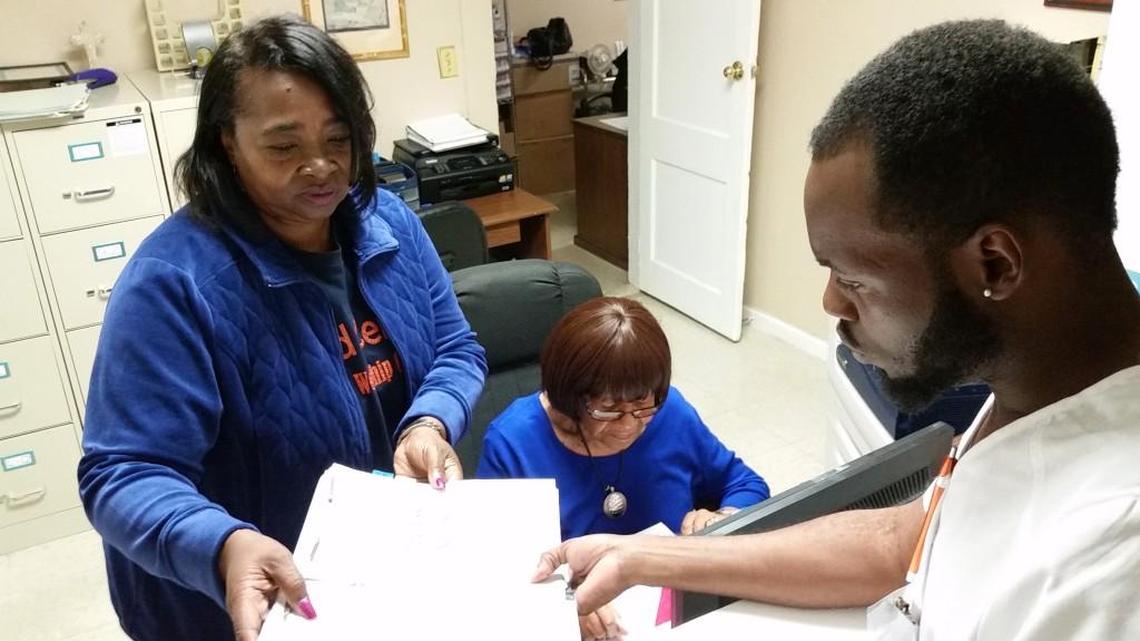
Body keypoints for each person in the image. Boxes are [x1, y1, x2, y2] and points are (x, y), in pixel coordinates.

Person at [533, 20, 1140, 641]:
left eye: (852, 280)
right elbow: (905, 541)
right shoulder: (1039, 386)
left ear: (995, 264)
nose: (831, 304)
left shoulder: (1110, 562)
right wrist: (647, 560)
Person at [77, 15, 486, 641]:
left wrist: (428, 421)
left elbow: (456, 348)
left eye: (339, 139)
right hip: (237, 605)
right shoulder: (172, 285)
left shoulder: (390, 223)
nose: (321, 167)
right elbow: (123, 474)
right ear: (225, 144)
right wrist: (224, 545)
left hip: (372, 576)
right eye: (284, 146)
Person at [478, 296, 769, 640]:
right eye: (609, 410)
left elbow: (747, 483)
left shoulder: (670, 411)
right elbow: (495, 565)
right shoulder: (513, 442)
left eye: (643, 404)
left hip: (674, 609)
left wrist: (725, 516)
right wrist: (563, 601)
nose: (629, 425)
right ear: (569, 396)